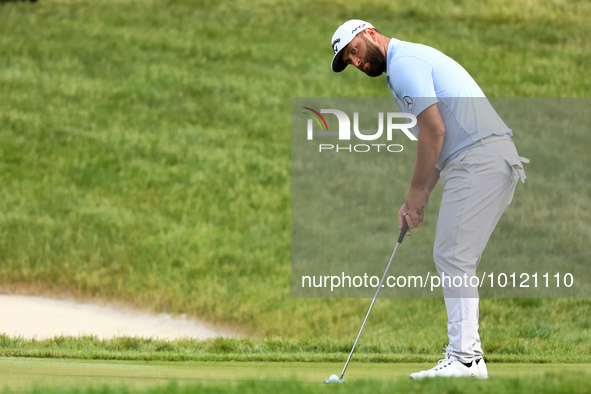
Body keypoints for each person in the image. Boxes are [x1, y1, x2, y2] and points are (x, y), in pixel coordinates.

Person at [330, 19, 529, 379]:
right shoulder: (402, 68)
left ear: (370, 34)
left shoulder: (405, 63)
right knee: (454, 255)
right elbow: (439, 139)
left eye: (354, 51)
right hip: (476, 158)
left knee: (453, 255)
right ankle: (470, 359)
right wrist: (415, 201)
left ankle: (465, 360)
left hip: (479, 157)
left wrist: (416, 192)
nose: (356, 63)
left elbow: (433, 131)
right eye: (349, 62)